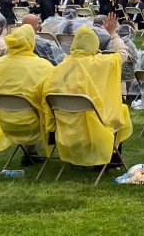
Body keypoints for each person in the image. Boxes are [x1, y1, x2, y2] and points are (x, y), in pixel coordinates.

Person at [44, 17, 133, 169]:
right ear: (94, 43)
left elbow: (48, 92)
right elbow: (123, 54)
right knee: (122, 110)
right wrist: (113, 34)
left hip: (67, 123)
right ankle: (110, 158)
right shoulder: (102, 62)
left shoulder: (62, 65)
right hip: (95, 119)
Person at [0, 24, 55, 167]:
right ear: (31, 41)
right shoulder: (43, 66)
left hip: (7, 122)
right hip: (35, 124)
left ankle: (30, 153)